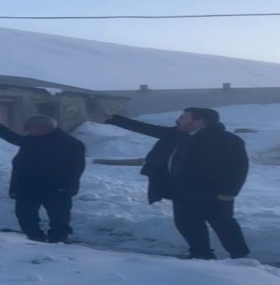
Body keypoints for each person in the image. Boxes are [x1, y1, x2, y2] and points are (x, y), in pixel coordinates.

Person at [102, 107, 250, 260]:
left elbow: (238, 167)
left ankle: (240, 256)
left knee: (223, 224)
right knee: (187, 224)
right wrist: (113, 118)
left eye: (183, 117)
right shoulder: (179, 134)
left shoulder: (227, 140)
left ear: (199, 121)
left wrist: (229, 192)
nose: (178, 120)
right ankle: (201, 255)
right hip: (181, 190)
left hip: (213, 193)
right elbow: (148, 129)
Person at [0, 115, 86, 243]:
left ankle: (58, 240)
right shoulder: (33, 139)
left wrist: (65, 187)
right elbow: (16, 139)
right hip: (28, 185)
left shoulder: (70, 144)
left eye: (29, 127)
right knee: (25, 215)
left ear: (44, 128)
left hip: (56, 187)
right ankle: (35, 238)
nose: (26, 130)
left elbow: (75, 169)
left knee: (59, 217)